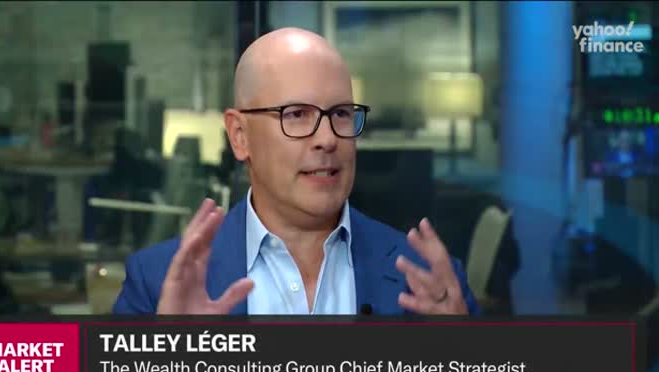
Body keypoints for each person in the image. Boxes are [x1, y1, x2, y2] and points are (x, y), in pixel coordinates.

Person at [113, 27, 480, 316]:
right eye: (297, 115)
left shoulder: (431, 282)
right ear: (240, 136)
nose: (328, 139)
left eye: (341, 114)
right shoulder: (156, 283)